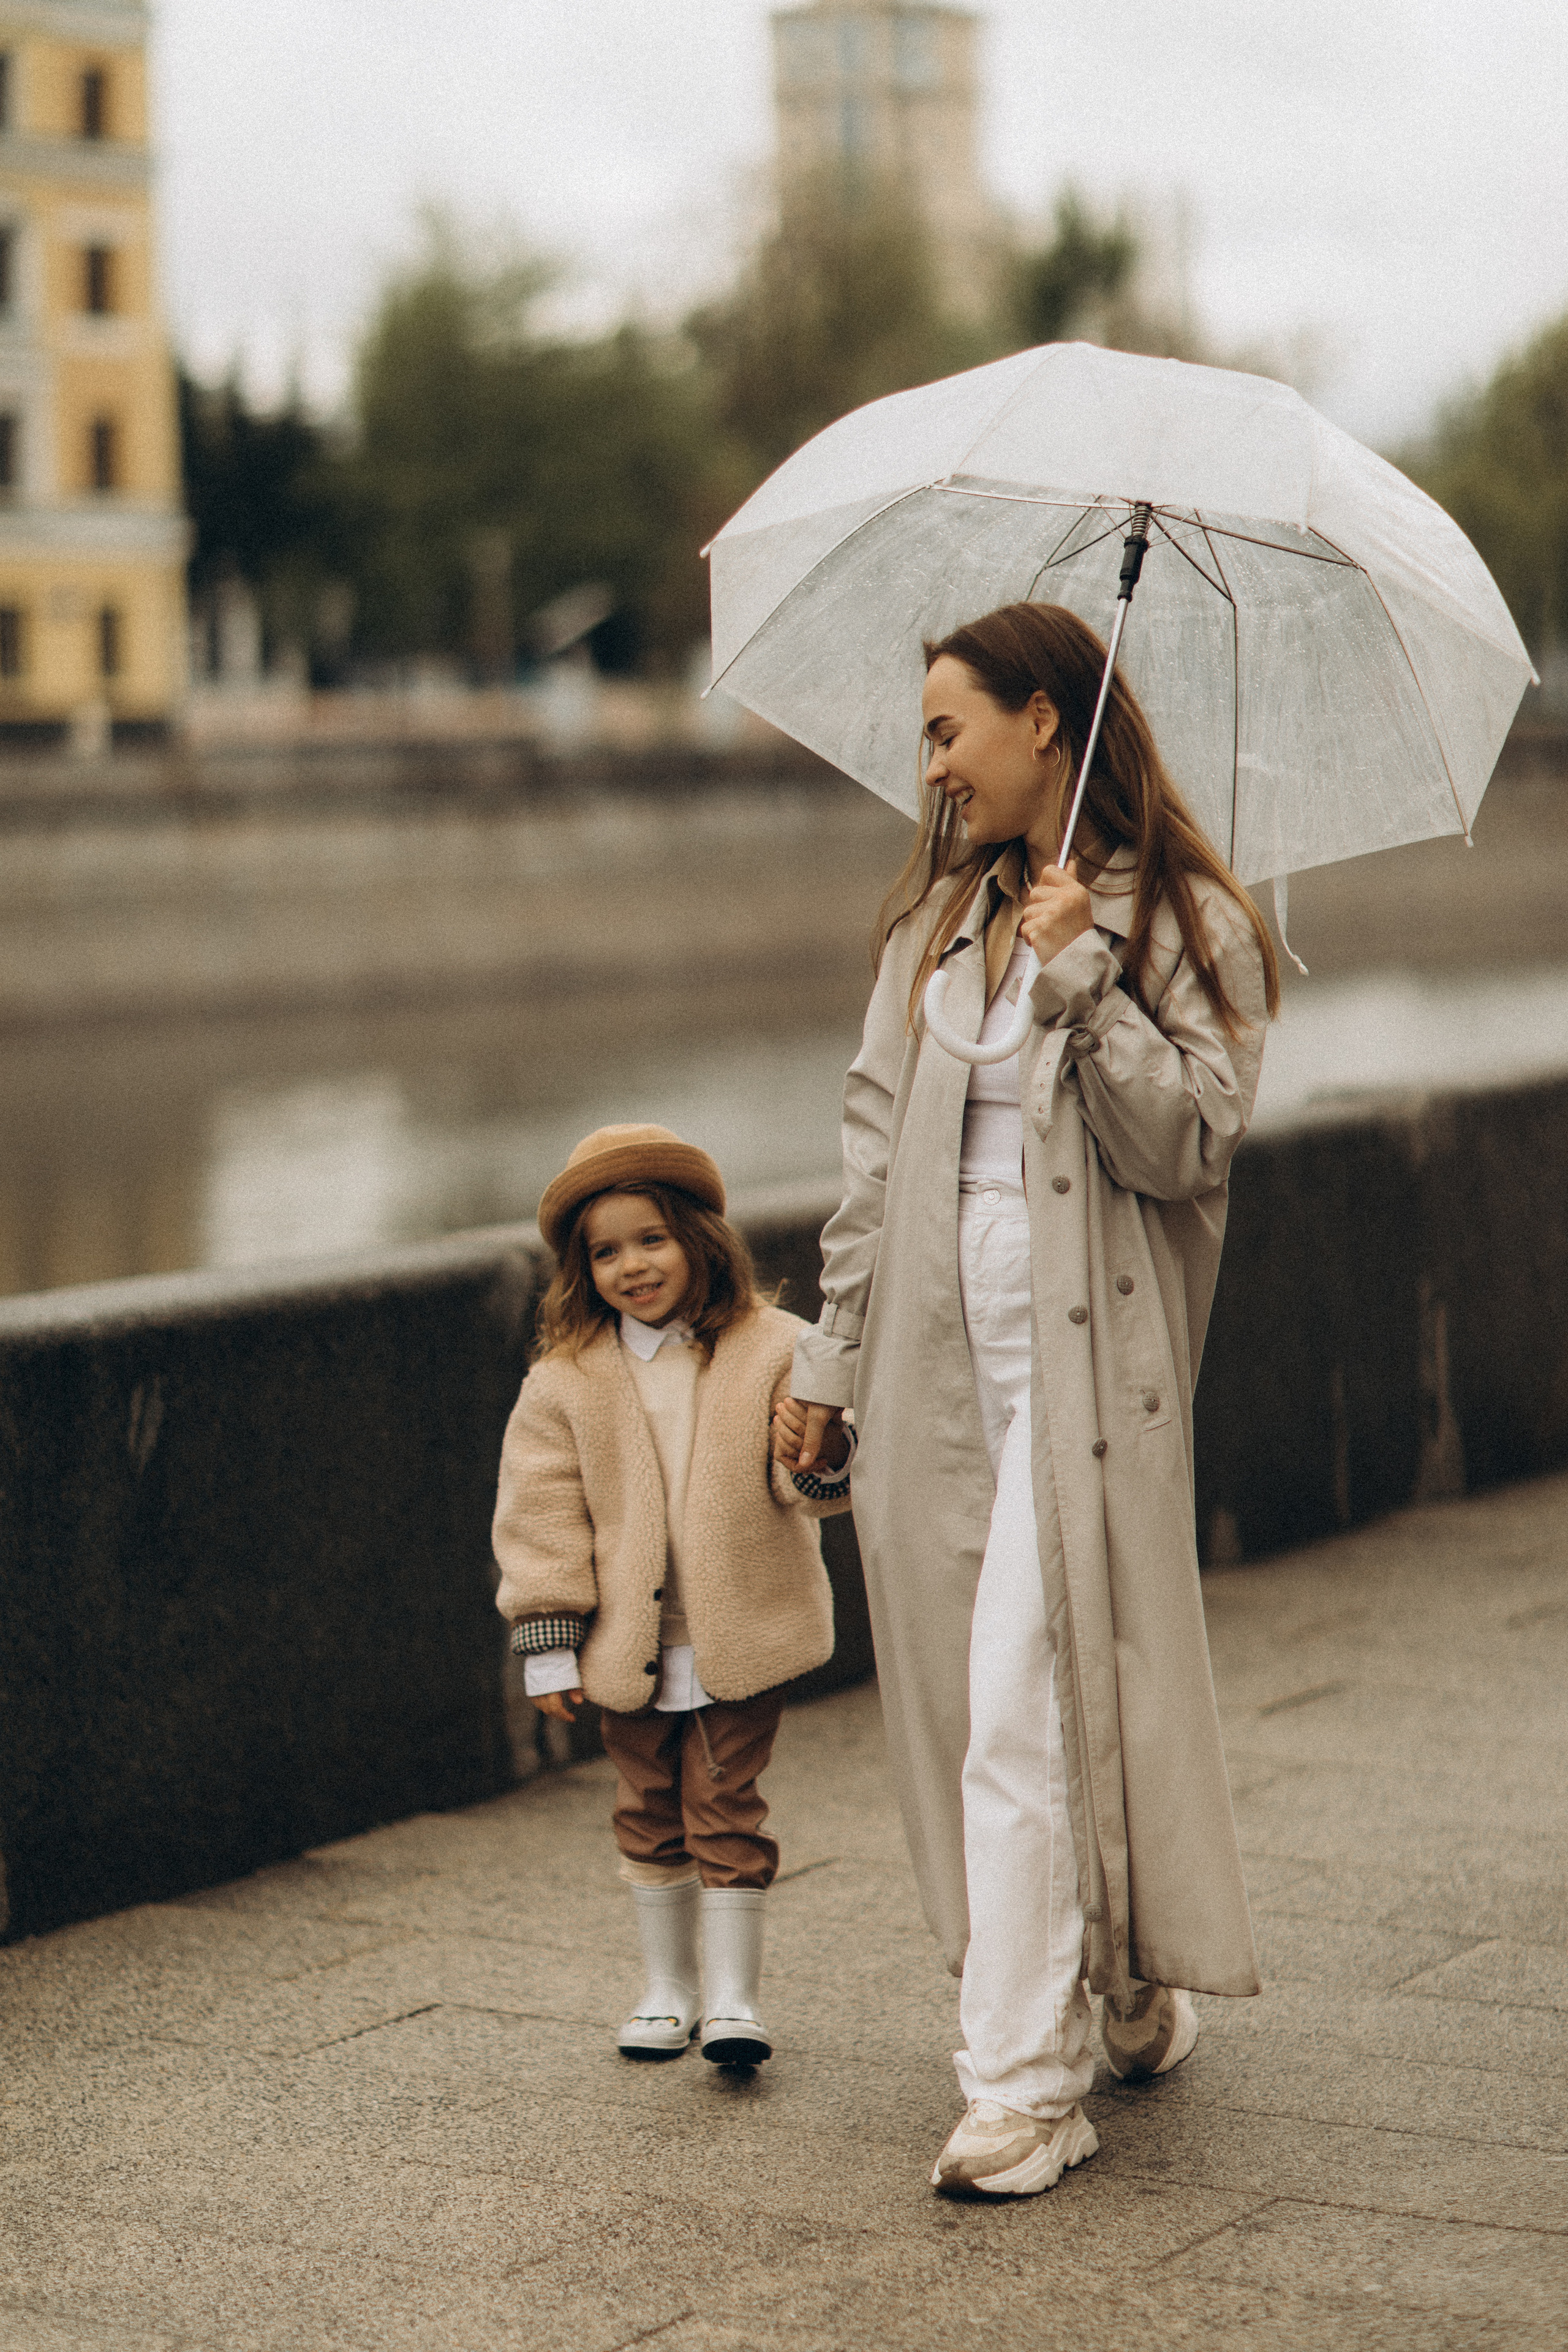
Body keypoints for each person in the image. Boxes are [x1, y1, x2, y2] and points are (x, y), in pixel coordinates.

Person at [773, 602, 1281, 2197]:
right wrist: (830, 1361)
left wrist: (1082, 981)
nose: (930, 762)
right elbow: (870, 1153)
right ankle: (1126, 1978)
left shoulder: (1184, 919)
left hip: (1082, 1370)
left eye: (948, 728)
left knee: (1019, 1700)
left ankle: (1022, 2089)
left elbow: (1190, 1143)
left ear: (1044, 722)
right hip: (933, 1370)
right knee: (978, 1699)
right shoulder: (932, 926)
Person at [494, 1122, 853, 2068]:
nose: (632, 1266)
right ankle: (668, 1990)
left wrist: (821, 1454)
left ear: (700, 1238)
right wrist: (549, 1641)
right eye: (606, 1252)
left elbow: (815, 1480)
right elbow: (541, 1514)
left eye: (651, 1239)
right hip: (623, 1640)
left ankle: (735, 2000)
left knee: (727, 1802)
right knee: (647, 1803)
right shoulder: (564, 1380)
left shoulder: (779, 1346)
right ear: (582, 1271)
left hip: (744, 1630)